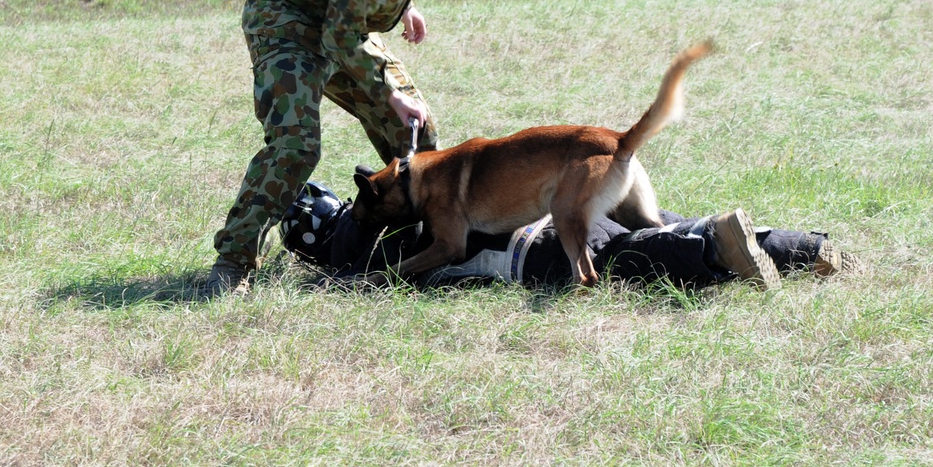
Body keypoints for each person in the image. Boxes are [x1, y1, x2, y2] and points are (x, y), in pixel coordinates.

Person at [207, 0, 485, 296]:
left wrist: (400, 4)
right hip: (287, 22)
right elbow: (339, 35)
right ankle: (233, 262)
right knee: (296, 146)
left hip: (342, 20)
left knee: (416, 133)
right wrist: (388, 93)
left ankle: (406, 255)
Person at [278, 179, 868, 293]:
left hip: (525, 253)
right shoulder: (412, 208)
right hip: (548, 207)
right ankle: (804, 247)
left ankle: (714, 247)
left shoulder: (373, 256)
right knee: (646, 229)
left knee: (621, 258)